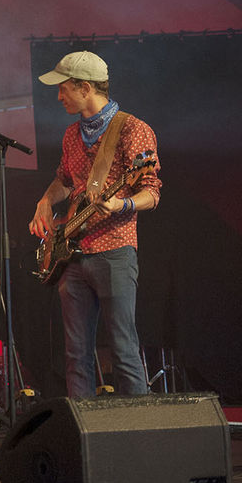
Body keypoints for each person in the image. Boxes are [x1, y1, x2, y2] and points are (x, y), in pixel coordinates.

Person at [29, 51, 161, 399]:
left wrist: (123, 203)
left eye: (64, 89)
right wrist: (45, 200)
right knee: (75, 354)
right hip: (72, 256)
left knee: (123, 347)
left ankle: (139, 433)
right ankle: (83, 436)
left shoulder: (133, 129)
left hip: (114, 250)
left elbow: (151, 191)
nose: (59, 97)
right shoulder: (72, 134)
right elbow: (64, 179)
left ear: (85, 88)